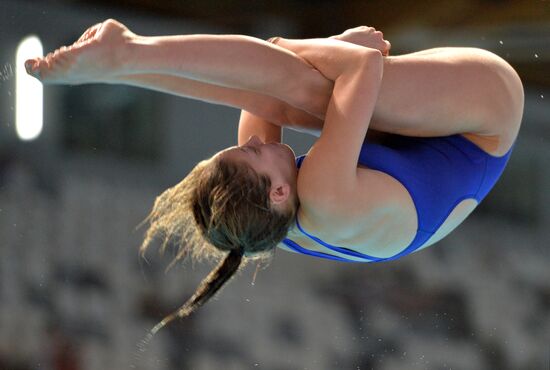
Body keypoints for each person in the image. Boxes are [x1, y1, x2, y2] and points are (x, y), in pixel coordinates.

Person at [25, 19, 524, 334]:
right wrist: (314, 45)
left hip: (418, 139)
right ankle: (127, 53)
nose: (257, 141)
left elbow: (252, 90)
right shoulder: (324, 197)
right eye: (253, 153)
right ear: (281, 190)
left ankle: (121, 65)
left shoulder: (266, 222)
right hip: (483, 117)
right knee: (299, 79)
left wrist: (300, 55)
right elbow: (361, 65)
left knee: (277, 88)